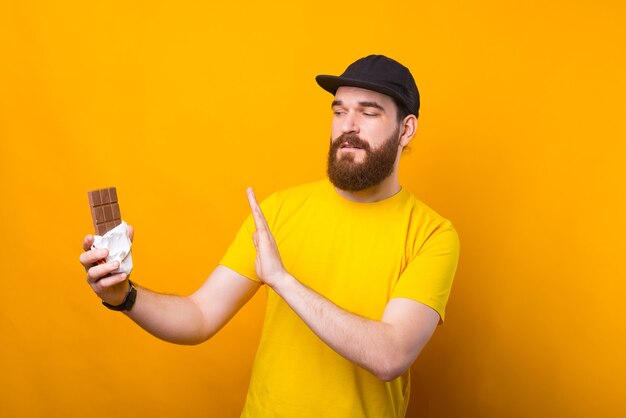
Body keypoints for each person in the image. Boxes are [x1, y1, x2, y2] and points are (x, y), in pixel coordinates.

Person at [79, 55, 460, 418]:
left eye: (369, 112)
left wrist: (281, 279)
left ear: (406, 129)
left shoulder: (432, 235)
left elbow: (390, 355)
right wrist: (124, 296)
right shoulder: (277, 212)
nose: (348, 125)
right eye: (340, 111)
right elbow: (199, 316)